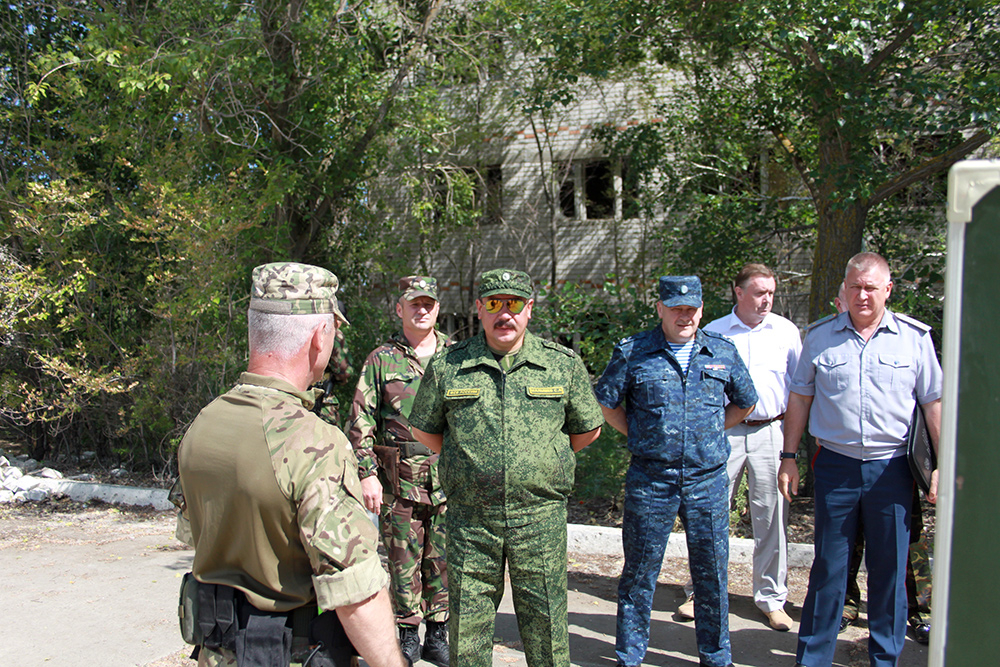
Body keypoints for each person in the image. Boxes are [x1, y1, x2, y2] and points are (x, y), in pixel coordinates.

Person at [175, 262, 407, 667]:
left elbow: (195, 536)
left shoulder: (203, 424)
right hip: (291, 654)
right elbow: (355, 591)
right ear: (320, 337)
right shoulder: (313, 442)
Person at [407, 268, 604, 667]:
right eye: (494, 304)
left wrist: (541, 462)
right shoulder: (450, 365)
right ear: (479, 309)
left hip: (540, 518)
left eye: (513, 304)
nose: (504, 314)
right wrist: (471, 462)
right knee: (468, 635)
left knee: (547, 628)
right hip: (471, 521)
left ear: (529, 309)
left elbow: (587, 431)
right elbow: (425, 429)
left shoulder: (561, 364)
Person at [779, 252, 942, 667]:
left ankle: (884, 659)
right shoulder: (819, 336)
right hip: (836, 467)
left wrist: (942, 464)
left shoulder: (914, 338)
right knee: (829, 569)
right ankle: (813, 658)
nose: (863, 295)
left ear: (888, 289)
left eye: (871, 287)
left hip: (892, 469)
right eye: (855, 287)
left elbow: (933, 404)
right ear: (844, 291)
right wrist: (788, 456)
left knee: (889, 572)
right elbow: (800, 397)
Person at [595, 275, 758, 667]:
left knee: (713, 574)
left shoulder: (722, 351)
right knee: (639, 573)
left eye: (691, 309)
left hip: (707, 481)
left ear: (701, 309)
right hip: (651, 480)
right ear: (661, 309)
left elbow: (746, 401)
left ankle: (716, 656)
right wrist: (638, 434)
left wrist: (709, 432)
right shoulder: (634, 352)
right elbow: (607, 402)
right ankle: (630, 655)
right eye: (676, 308)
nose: (684, 316)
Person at [676, 264, 801, 632]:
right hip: (723, 432)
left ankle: (772, 598)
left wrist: (794, 449)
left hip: (771, 431)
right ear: (738, 292)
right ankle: (702, 593)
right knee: (710, 513)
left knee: (773, 515)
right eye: (760, 292)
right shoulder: (712, 332)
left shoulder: (786, 333)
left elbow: (800, 392)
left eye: (772, 293)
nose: (767, 300)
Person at [347, 276, 450, 666]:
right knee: (402, 559)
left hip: (447, 481)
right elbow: (360, 421)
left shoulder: (455, 357)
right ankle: (407, 633)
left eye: (428, 303)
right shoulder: (381, 359)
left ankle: (438, 633)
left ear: (437, 308)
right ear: (399, 309)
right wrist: (367, 473)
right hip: (399, 482)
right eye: (414, 304)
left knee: (442, 559)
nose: (422, 310)